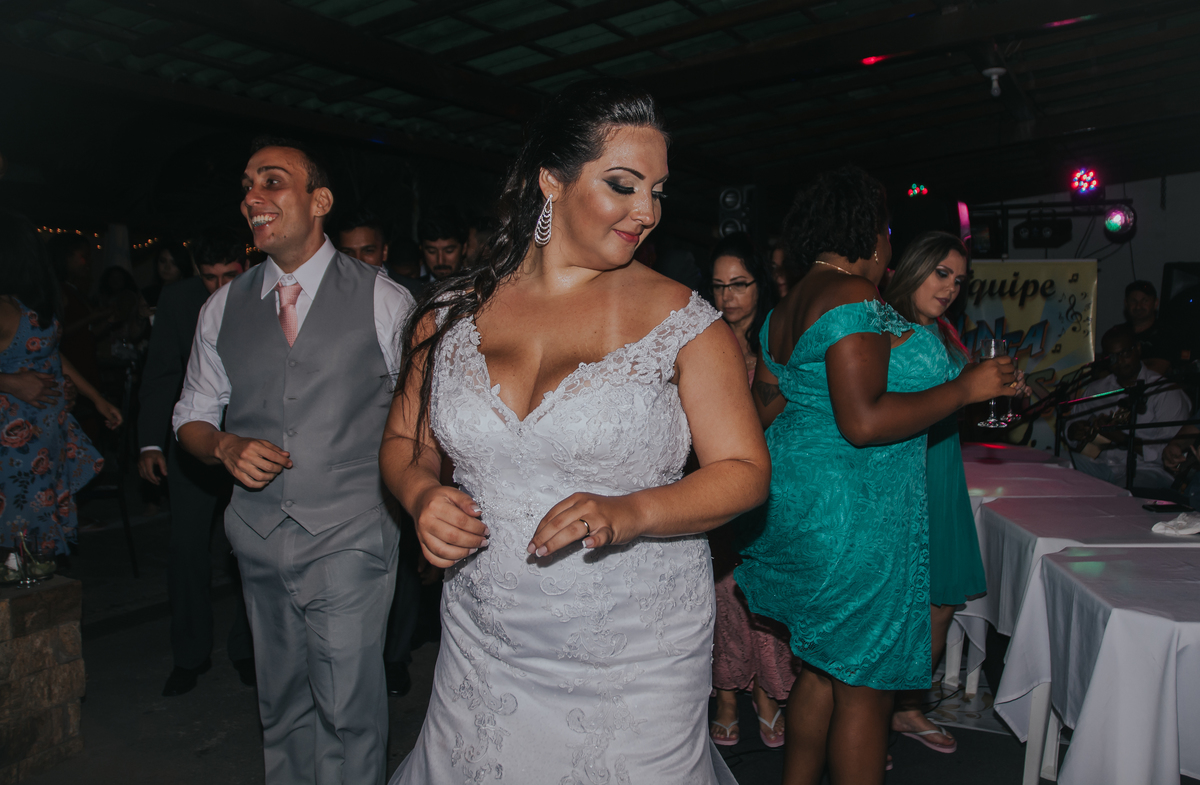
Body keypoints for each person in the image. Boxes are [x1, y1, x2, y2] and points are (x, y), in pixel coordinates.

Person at [380, 80, 770, 784]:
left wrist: (634, 510)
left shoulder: (686, 322)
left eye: (657, 191)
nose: (646, 211)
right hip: (484, 641)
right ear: (551, 181)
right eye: (623, 185)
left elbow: (744, 472)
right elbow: (406, 444)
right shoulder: (450, 313)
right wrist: (420, 496)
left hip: (634, 652)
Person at [735, 166, 1015, 785]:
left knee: (820, 668)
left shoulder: (787, 306)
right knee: (866, 688)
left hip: (800, 509)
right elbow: (863, 422)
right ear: (868, 232)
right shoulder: (852, 297)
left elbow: (763, 409)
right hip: (853, 518)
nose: (890, 244)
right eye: (887, 231)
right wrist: (964, 389)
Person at [173, 136, 415, 784]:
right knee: (279, 704)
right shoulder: (221, 307)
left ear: (320, 200)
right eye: (247, 185)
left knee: (347, 710)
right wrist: (222, 444)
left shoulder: (384, 300)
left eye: (272, 181)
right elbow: (191, 413)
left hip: (350, 530)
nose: (252, 196)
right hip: (257, 535)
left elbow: (422, 418)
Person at [884, 231, 990, 755]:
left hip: (944, 469)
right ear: (914, 267)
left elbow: (951, 396)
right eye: (941, 273)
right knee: (893, 604)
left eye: (959, 281)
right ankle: (870, 719)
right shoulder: (883, 328)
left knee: (942, 602)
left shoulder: (943, 330)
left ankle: (904, 707)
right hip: (902, 473)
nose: (949, 288)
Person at [138, 226, 253, 697]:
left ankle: (247, 649)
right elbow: (161, 371)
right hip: (192, 446)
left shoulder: (270, 294)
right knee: (186, 550)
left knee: (250, 550)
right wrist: (149, 444)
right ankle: (190, 655)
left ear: (247, 265)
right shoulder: (177, 300)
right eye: (209, 277)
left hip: (251, 443)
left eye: (230, 275)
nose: (220, 287)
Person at [701, 232, 795, 749]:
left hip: (770, 480)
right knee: (722, 594)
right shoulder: (701, 338)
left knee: (761, 591)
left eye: (739, 284)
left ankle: (767, 692)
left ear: (762, 284)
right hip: (714, 479)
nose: (728, 296)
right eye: (719, 286)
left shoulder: (777, 340)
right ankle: (726, 695)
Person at [0, 211, 121, 576]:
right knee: (22, 518)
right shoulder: (14, 306)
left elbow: (52, 355)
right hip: (20, 433)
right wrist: (11, 382)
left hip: (37, 433)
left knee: (31, 518)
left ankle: (28, 576)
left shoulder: (25, 304)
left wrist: (96, 398)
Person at [1067, 323, 1191, 489]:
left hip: (1147, 470)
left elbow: (1168, 453)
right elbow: (1069, 427)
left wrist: (1122, 438)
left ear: (1138, 349)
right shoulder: (1096, 389)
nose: (1119, 361)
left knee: (1123, 493)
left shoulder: (1165, 391)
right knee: (1053, 463)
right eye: (1112, 357)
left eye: (1125, 353)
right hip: (1100, 465)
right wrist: (1074, 431)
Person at [334, 207, 428, 300]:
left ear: (384, 251)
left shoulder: (415, 293)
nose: (358, 260)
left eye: (368, 251)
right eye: (348, 253)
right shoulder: (331, 291)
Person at [1124, 280, 1175, 374]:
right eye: (1133, 301)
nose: (1138, 306)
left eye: (1145, 301)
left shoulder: (1167, 333)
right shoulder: (1118, 333)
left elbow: (1158, 368)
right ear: (1126, 304)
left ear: (1155, 303)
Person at [416, 209, 466, 281]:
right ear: (421, 249)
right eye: (432, 251)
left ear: (464, 248)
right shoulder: (411, 287)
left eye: (449, 251)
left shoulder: (476, 286)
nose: (440, 261)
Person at [142, 242, 193, 309]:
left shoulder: (191, 294)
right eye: (163, 261)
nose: (167, 267)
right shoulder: (148, 294)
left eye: (174, 263)